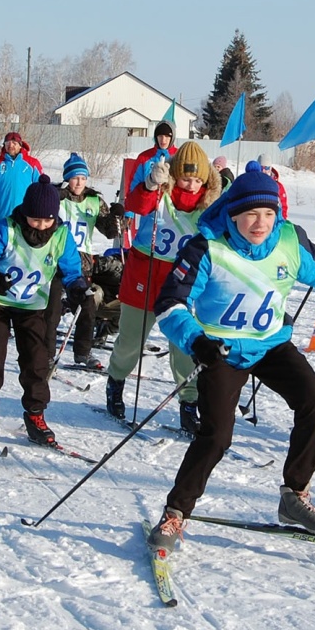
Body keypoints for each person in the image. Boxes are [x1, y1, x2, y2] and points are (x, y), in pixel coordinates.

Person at [146, 169, 315, 551]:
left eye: (267, 214)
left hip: (270, 346)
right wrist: (196, 341)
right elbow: (169, 305)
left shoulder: (291, 242)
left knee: (314, 402)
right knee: (216, 436)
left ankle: (294, 496)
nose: (259, 223)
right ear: (232, 214)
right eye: (250, 215)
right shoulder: (207, 248)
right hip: (222, 352)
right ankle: (175, 513)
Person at [105, 142, 221, 433]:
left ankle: (189, 403)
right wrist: (149, 184)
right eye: (186, 178)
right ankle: (116, 381)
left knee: (184, 346)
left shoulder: (210, 203)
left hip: (181, 282)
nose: (192, 185)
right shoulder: (160, 192)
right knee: (131, 341)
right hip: (144, 271)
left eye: (198, 180)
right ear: (175, 175)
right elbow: (135, 205)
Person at [0, 175, 87, 445]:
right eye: (35, 220)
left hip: (32, 305)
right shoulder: (8, 228)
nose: (41, 226)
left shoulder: (60, 235)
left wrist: (78, 288)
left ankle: (35, 414)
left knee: (36, 360)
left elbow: (71, 270)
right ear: (26, 214)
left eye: (47, 221)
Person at [44, 153, 120, 369]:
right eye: (75, 178)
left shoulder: (94, 200)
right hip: (56, 261)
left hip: (82, 264)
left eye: (83, 178)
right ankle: (47, 354)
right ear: (68, 178)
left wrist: (116, 217)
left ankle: (83, 353)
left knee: (87, 307)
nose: (79, 182)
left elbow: (109, 231)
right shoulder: (57, 197)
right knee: (53, 309)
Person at [0, 132, 42, 228]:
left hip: (25, 219)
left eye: (14, 143)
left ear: (20, 145)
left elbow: (41, 188)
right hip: (2, 217)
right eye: (8, 143)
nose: (11, 146)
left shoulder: (32, 163)